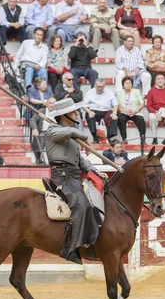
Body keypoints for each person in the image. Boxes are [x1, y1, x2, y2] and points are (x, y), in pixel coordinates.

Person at [45, 97, 108, 264]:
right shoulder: (52, 130)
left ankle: (90, 242)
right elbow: (70, 132)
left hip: (73, 176)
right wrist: (83, 135)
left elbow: (80, 161)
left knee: (95, 201)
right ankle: (70, 248)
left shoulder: (70, 135)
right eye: (73, 112)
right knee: (81, 204)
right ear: (65, 115)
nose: (76, 114)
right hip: (62, 177)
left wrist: (94, 171)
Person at [82, 78, 118, 142]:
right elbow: (84, 105)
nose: (100, 88)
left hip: (106, 111)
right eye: (98, 86)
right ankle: (95, 138)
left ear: (104, 86)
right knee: (89, 116)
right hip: (94, 111)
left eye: (102, 87)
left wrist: (114, 113)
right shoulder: (90, 92)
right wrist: (89, 112)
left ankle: (108, 138)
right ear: (95, 85)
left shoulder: (109, 92)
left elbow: (115, 104)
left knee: (114, 117)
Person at [116, 76, 145, 144]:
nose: (128, 84)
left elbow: (142, 103)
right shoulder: (119, 93)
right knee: (121, 119)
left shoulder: (136, 91)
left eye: (130, 83)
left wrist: (135, 110)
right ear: (123, 85)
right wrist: (124, 110)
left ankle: (143, 139)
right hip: (124, 112)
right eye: (126, 83)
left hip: (135, 112)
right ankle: (124, 139)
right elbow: (117, 105)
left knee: (140, 119)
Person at [30, 96, 56, 165]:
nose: (52, 105)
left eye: (54, 103)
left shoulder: (58, 112)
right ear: (46, 104)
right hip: (44, 132)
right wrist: (35, 129)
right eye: (50, 103)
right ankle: (38, 159)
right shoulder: (42, 111)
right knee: (41, 137)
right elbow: (33, 120)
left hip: (55, 132)